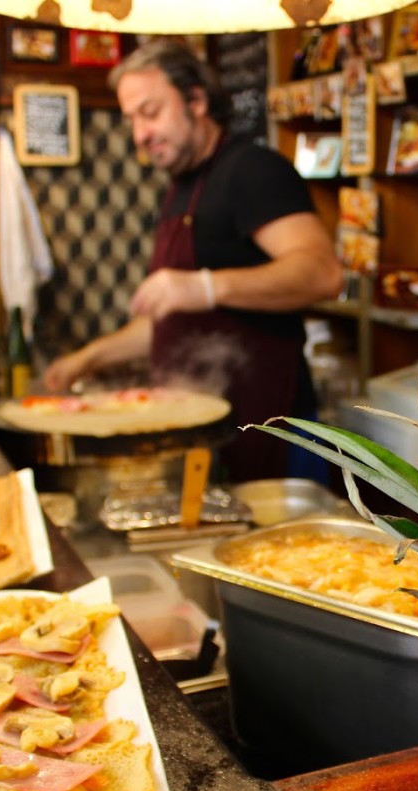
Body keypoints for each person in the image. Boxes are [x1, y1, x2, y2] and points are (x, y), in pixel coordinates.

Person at [43, 40, 344, 482]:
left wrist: (203, 286)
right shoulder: (183, 186)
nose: (140, 135)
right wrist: (87, 359)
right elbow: (173, 320)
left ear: (196, 101)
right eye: (132, 120)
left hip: (267, 428)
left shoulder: (252, 170)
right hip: (204, 431)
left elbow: (323, 274)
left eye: (151, 112)